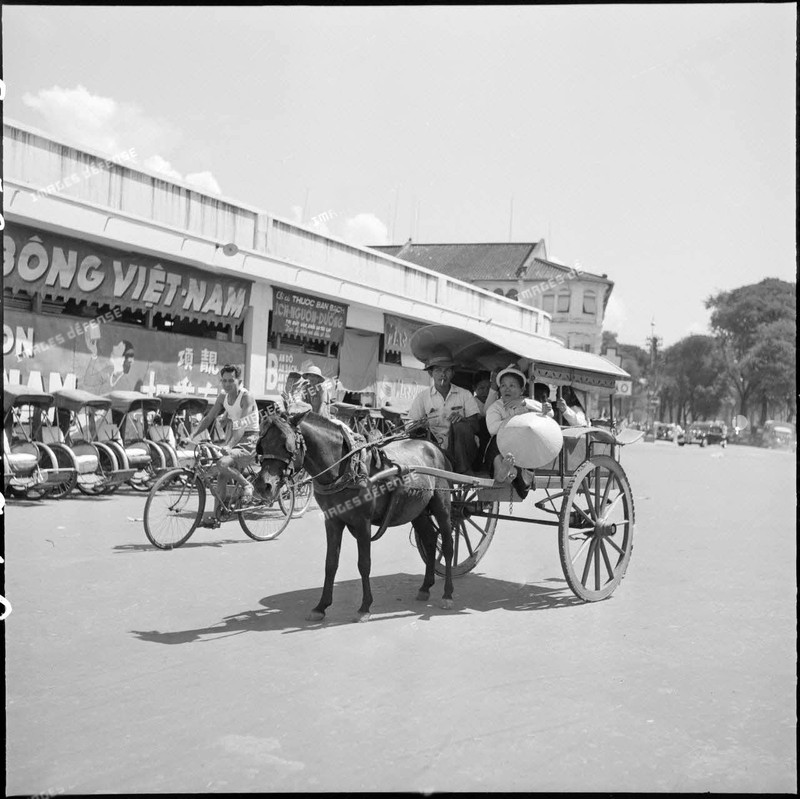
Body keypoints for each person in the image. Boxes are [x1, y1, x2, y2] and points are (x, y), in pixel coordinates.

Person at [187, 364, 259, 525]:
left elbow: (241, 424)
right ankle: (216, 516)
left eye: (231, 381)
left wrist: (230, 446)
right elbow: (208, 418)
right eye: (224, 381)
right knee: (221, 475)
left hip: (249, 439)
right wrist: (191, 435)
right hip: (234, 436)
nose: (227, 384)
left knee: (222, 464)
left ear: (239, 380)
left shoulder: (246, 397)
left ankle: (247, 485)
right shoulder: (222, 397)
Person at [408, 349, 480, 473]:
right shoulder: (422, 397)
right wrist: (420, 424)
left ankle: (462, 471)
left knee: (460, 426)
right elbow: (410, 428)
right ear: (431, 373)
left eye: (447, 370)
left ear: (452, 373)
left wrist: (463, 420)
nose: (443, 374)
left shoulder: (464, 394)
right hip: (434, 449)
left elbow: (476, 426)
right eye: (438, 370)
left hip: (463, 452)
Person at [484, 364, 542, 498]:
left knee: (522, 443)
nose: (506, 389)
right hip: (500, 447)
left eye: (512, 385)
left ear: (522, 390)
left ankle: (511, 471)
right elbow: (492, 428)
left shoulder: (527, 403)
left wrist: (524, 404)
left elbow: (549, 413)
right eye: (503, 385)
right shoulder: (495, 407)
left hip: (523, 450)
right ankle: (502, 471)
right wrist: (515, 421)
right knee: (496, 440)